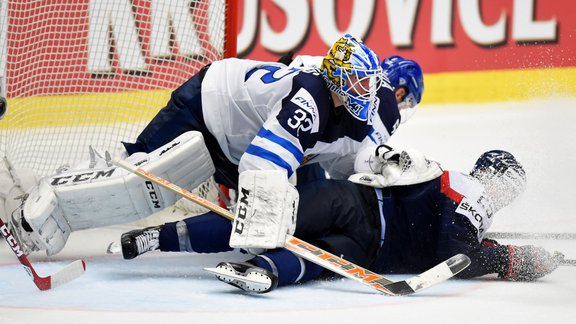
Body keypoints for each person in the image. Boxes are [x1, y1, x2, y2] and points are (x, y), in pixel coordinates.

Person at [3, 34, 424, 257]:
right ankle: (43, 204)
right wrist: (265, 218)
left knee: (303, 201)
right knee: (135, 175)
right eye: (358, 82)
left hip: (242, 137)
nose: (367, 93)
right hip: (209, 105)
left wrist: (382, 162)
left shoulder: (369, 108)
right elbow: (264, 161)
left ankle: (196, 222)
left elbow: (353, 157)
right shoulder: (312, 97)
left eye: (371, 84)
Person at [119, 149, 564, 293]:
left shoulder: (468, 198)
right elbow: (455, 254)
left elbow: (456, 249)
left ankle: (261, 271)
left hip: (369, 241)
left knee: (308, 254)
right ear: (494, 178)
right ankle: (157, 238)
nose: (504, 199)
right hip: (359, 210)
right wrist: (513, 261)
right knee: (269, 221)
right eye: (509, 189)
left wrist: (508, 258)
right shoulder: (473, 189)